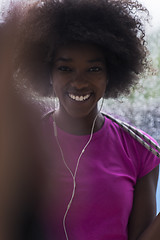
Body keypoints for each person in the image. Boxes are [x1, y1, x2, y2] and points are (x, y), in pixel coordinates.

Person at [2, 0, 160, 239]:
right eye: (65, 68)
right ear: (48, 73)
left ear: (111, 74)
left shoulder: (141, 149)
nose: (79, 82)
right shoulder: (23, 144)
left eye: (94, 69)